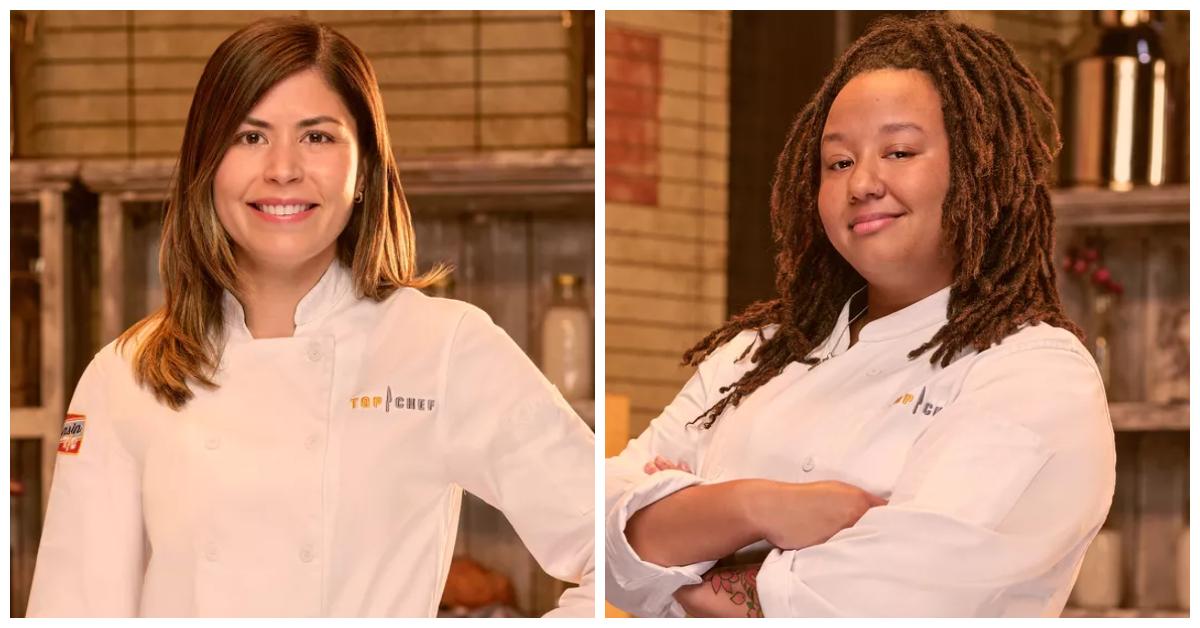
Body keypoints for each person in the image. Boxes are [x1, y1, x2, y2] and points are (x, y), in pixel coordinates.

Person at [27, 17, 594, 618]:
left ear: (365, 170)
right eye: (249, 137)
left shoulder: (443, 346)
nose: (282, 168)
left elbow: (613, 543)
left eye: (317, 137)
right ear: (205, 165)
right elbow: (74, 608)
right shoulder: (125, 374)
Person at [605, 13, 1114, 618]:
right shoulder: (757, 353)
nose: (863, 183)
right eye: (838, 162)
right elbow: (601, 529)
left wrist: (684, 570)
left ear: (982, 166)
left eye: (899, 151)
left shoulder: (1035, 372)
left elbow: (898, 594)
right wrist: (757, 507)